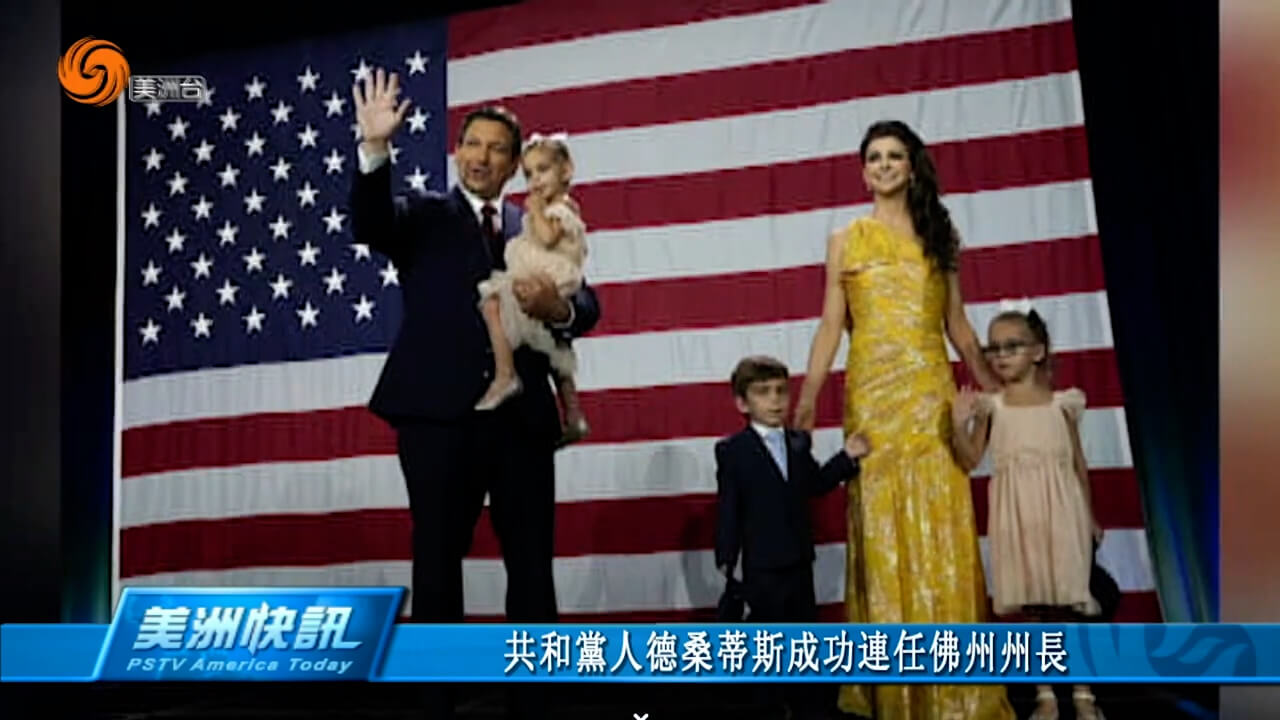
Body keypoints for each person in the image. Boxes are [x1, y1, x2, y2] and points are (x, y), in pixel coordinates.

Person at [349, 69, 600, 719]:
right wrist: (375, 148)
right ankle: (437, 698)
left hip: (521, 420)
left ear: (516, 165)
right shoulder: (424, 214)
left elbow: (587, 301)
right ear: (457, 151)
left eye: (497, 149)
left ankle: (537, 701)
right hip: (437, 417)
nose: (482, 157)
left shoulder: (537, 222)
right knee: (437, 558)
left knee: (532, 565)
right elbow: (370, 222)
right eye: (473, 144)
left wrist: (560, 309)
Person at [792, 120, 1015, 719]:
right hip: (873, 400)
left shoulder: (939, 234)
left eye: (894, 155)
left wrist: (995, 386)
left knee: (940, 524)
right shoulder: (846, 239)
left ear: (911, 167)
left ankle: (954, 691)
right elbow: (832, 324)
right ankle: (896, 689)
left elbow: (958, 324)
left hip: (928, 397)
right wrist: (809, 393)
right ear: (863, 172)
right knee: (883, 533)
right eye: (875, 157)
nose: (885, 165)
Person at [951, 303, 1105, 720]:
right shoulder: (992, 407)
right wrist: (958, 423)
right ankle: (1045, 694)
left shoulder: (1061, 404)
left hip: (1062, 511)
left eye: (1011, 346)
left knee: (1071, 603)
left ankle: (1084, 693)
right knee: (1034, 609)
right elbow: (970, 459)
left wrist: (1089, 514)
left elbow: (1077, 462)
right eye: (993, 348)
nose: (1000, 356)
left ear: (1037, 352)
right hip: (1016, 516)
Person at [715, 355, 870, 720]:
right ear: (742, 403)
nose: (775, 400)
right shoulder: (733, 450)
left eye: (781, 391)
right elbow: (730, 507)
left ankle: (808, 707)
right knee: (768, 642)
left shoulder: (798, 442)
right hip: (762, 565)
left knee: (803, 638)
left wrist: (846, 457)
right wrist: (727, 560)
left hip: (798, 560)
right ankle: (770, 706)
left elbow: (815, 484)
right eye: (763, 392)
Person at [474, 132, 590, 443]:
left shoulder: (556, 210)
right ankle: (574, 414)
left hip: (547, 275)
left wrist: (535, 211)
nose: (535, 180)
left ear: (566, 170)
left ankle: (505, 374)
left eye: (543, 170)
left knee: (491, 301)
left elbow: (549, 238)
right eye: (529, 174)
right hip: (550, 273)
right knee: (555, 345)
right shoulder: (563, 207)